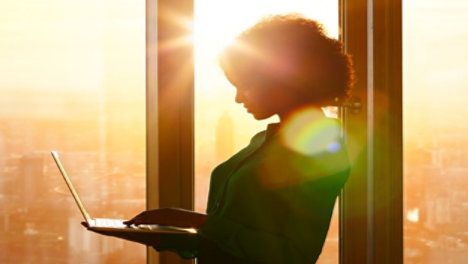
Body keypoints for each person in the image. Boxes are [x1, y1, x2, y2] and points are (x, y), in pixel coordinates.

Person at [123, 14, 354, 263]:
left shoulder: (320, 150)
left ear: (282, 80)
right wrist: (167, 236)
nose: (238, 98)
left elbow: (295, 254)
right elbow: (233, 236)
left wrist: (198, 222)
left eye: (243, 85)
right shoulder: (264, 141)